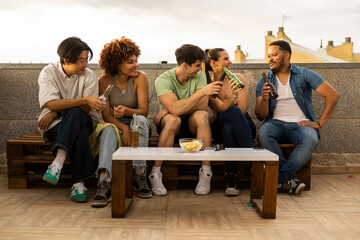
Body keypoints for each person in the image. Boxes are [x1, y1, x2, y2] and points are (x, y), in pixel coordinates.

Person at [255, 40, 340, 195]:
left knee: (310, 139)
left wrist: (319, 123)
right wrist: (265, 99)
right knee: (262, 133)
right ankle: (290, 179)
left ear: (286, 55)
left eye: (274, 54)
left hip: (301, 124)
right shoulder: (264, 80)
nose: (270, 59)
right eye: (268, 56)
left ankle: (279, 178)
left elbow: (333, 95)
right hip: (274, 123)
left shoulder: (304, 74)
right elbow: (260, 116)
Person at [38, 37, 105, 203]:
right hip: (54, 125)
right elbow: (51, 103)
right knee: (79, 132)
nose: (85, 65)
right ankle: (78, 183)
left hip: (84, 121)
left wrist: (57, 111)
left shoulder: (88, 76)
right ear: (66, 60)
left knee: (77, 115)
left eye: (86, 60)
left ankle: (57, 164)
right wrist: (82, 100)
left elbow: (85, 110)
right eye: (81, 61)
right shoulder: (49, 72)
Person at [151, 44, 223, 196]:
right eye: (197, 65)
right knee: (173, 120)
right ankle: (155, 173)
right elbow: (176, 111)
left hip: (192, 124)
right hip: (170, 126)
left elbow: (203, 105)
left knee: (202, 115)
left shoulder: (200, 75)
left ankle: (206, 172)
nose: (200, 69)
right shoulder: (163, 80)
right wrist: (200, 93)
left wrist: (170, 108)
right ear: (185, 65)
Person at [91, 37, 151, 208]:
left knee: (139, 120)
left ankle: (140, 176)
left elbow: (144, 111)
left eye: (136, 60)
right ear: (117, 63)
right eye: (130, 62)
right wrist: (123, 126)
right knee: (108, 130)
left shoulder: (140, 78)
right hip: (115, 124)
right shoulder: (103, 81)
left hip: (137, 122)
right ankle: (104, 183)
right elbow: (106, 115)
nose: (136, 65)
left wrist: (127, 112)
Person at [204, 48, 256, 196]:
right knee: (231, 114)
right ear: (214, 63)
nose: (230, 62)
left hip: (243, 124)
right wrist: (233, 98)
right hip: (218, 125)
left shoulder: (237, 78)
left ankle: (231, 178)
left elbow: (243, 110)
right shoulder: (209, 84)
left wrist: (232, 99)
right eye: (225, 59)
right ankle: (254, 162)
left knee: (229, 126)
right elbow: (220, 108)